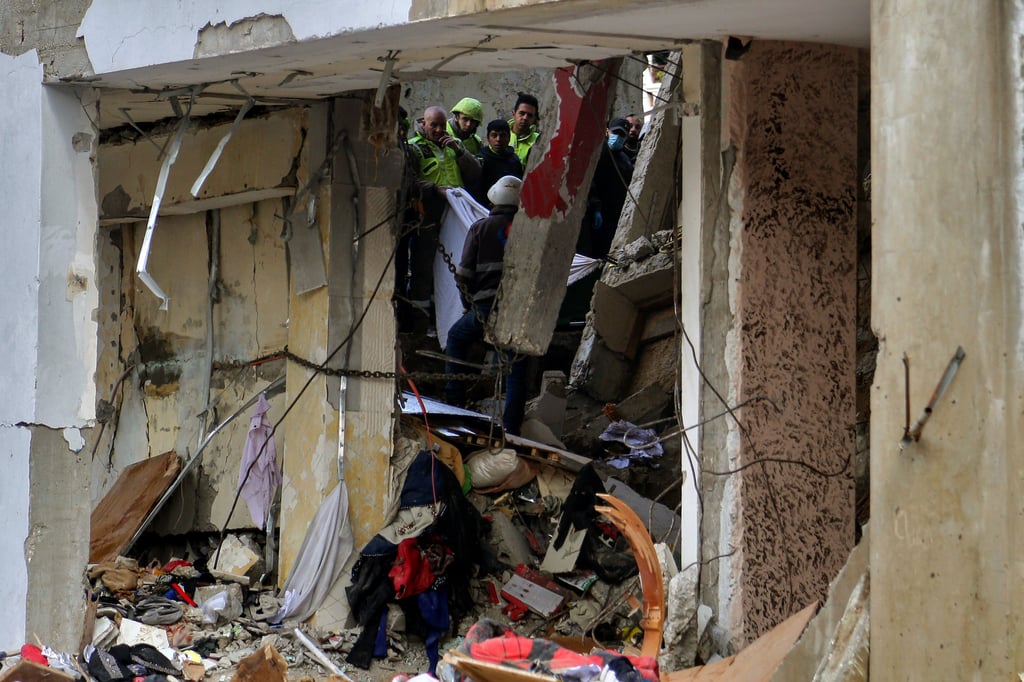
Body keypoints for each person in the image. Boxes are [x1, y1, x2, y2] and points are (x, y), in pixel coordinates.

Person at [444, 176, 528, 435]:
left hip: (484, 308)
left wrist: (467, 306)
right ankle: (512, 427)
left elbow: (464, 274)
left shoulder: (480, 228)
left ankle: (454, 404)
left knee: (456, 337)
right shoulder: (530, 231)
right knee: (516, 364)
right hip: (518, 311)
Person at [403, 106, 482, 329]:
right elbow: (408, 182)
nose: (438, 129)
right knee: (424, 268)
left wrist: (459, 151)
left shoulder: (452, 145)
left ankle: (449, 319)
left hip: (455, 216)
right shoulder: (414, 148)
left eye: (441, 124)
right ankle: (420, 323)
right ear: (423, 124)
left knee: (456, 266)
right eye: (433, 125)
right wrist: (434, 189)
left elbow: (475, 173)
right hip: (427, 216)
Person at [579, 117, 634, 259]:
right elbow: (589, 181)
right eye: (616, 132)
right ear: (607, 131)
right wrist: (596, 208)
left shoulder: (625, 161)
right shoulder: (597, 152)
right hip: (592, 213)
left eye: (622, 135)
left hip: (612, 218)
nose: (618, 137)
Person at [471, 119, 524, 207]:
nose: (498, 140)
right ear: (488, 138)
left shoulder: (514, 160)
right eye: (494, 135)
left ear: (509, 138)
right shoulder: (481, 160)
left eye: (502, 136)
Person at [508, 93, 540, 166]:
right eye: (522, 113)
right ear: (514, 114)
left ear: (534, 118)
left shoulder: (539, 140)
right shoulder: (501, 135)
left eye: (530, 115)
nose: (525, 118)